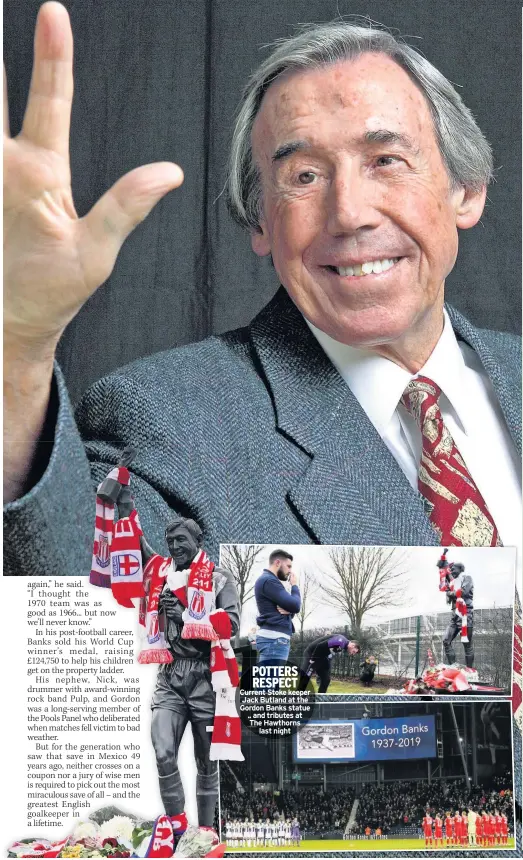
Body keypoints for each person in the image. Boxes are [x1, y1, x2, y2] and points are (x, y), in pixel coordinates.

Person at [4, 6, 521, 576]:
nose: (349, 214)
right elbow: (84, 610)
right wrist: (17, 357)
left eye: (386, 161)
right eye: (304, 176)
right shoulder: (166, 423)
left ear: (465, 191)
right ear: (260, 223)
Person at [135, 512, 239, 836]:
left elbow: (232, 625)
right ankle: (179, 829)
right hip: (170, 674)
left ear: (198, 541)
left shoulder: (220, 578)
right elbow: (140, 547)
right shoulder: (162, 574)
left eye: (181, 540)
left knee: (207, 762)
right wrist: (122, 498)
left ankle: (205, 835)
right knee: (163, 749)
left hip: (205, 676)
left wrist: (184, 616)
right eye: (170, 542)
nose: (175, 546)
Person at [254, 549, 300, 663]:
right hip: (274, 640)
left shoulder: (269, 581)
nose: (290, 571)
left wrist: (290, 610)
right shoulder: (269, 581)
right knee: (271, 680)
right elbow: (295, 605)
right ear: (278, 563)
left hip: (274, 640)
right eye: (288, 566)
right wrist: (294, 586)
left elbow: (292, 608)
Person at [440, 560, 475, 667]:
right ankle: (454, 667)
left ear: (460, 569)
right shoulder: (453, 583)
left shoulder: (467, 578)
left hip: (466, 613)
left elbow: (463, 592)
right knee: (446, 640)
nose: (452, 571)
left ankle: (470, 671)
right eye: (451, 570)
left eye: (453, 569)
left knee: (467, 644)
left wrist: (450, 593)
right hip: (455, 614)